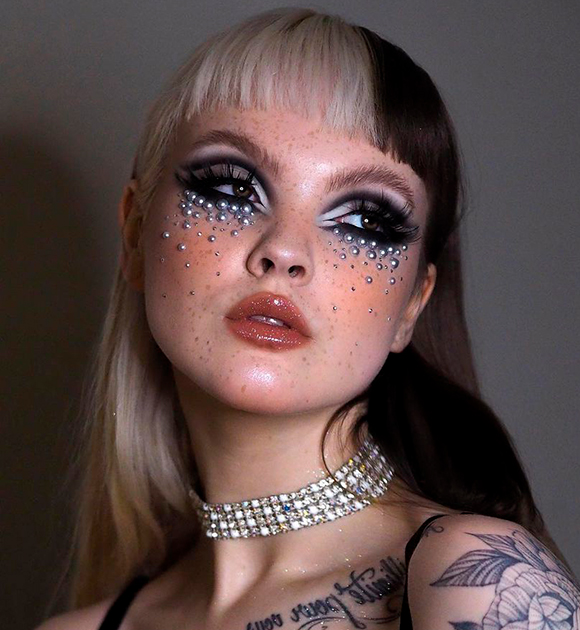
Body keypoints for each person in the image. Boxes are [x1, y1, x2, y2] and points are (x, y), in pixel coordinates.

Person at [38, 7, 579, 630]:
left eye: (365, 221)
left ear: (412, 306)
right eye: (231, 187)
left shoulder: (476, 580)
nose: (285, 251)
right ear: (136, 234)